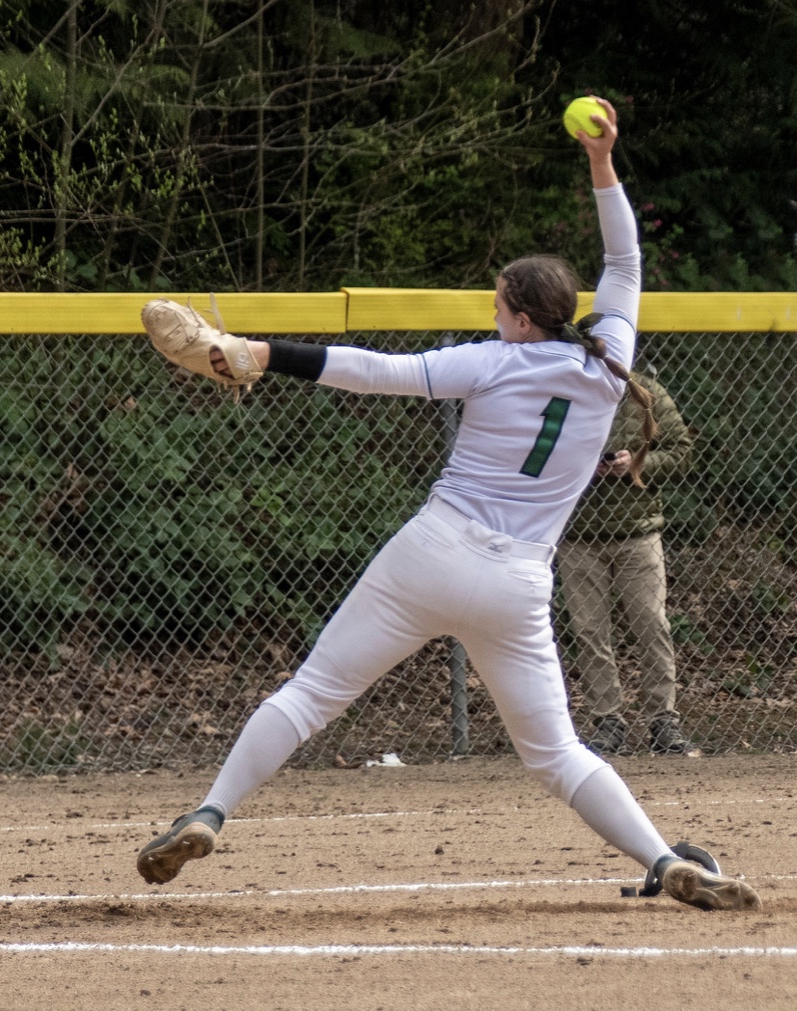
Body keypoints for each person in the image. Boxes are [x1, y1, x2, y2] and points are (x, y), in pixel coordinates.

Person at [136, 98, 760, 912]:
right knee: (560, 754)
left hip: (432, 553)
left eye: (499, 304)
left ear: (521, 318)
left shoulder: (492, 363)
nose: (492, 314)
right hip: (516, 585)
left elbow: (373, 370)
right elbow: (626, 260)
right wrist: (603, 161)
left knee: (311, 694)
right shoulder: (607, 363)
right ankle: (665, 856)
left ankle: (211, 810)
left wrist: (257, 352)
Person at [558, 372, 696, 756]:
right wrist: (585, 466)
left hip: (638, 532)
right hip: (578, 536)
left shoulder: (646, 393)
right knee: (589, 630)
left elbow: (682, 452)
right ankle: (608, 721)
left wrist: (636, 463)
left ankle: (663, 721)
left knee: (652, 624)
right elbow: (538, 453)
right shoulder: (562, 390)